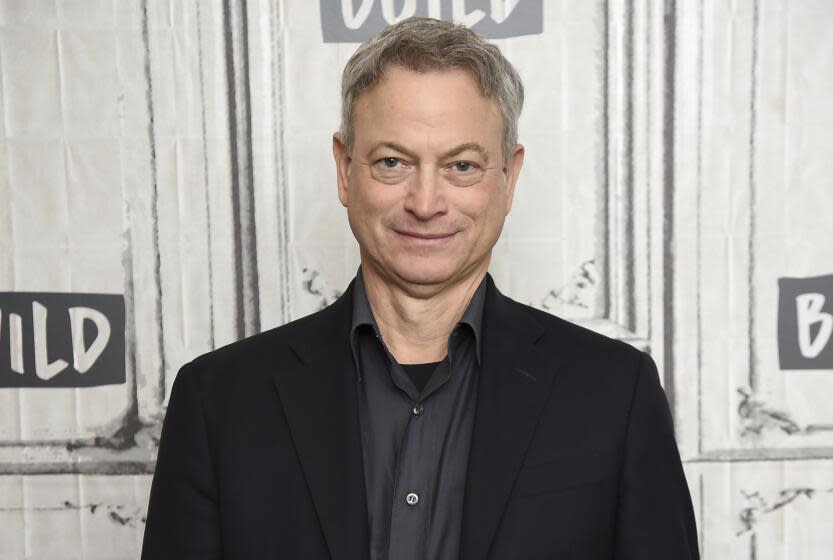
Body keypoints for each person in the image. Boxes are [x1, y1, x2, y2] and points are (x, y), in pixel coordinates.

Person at [141, 16, 699, 560]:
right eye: (392, 162)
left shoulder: (614, 394)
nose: (426, 202)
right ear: (344, 169)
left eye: (461, 166)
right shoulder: (217, 402)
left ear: (509, 178)